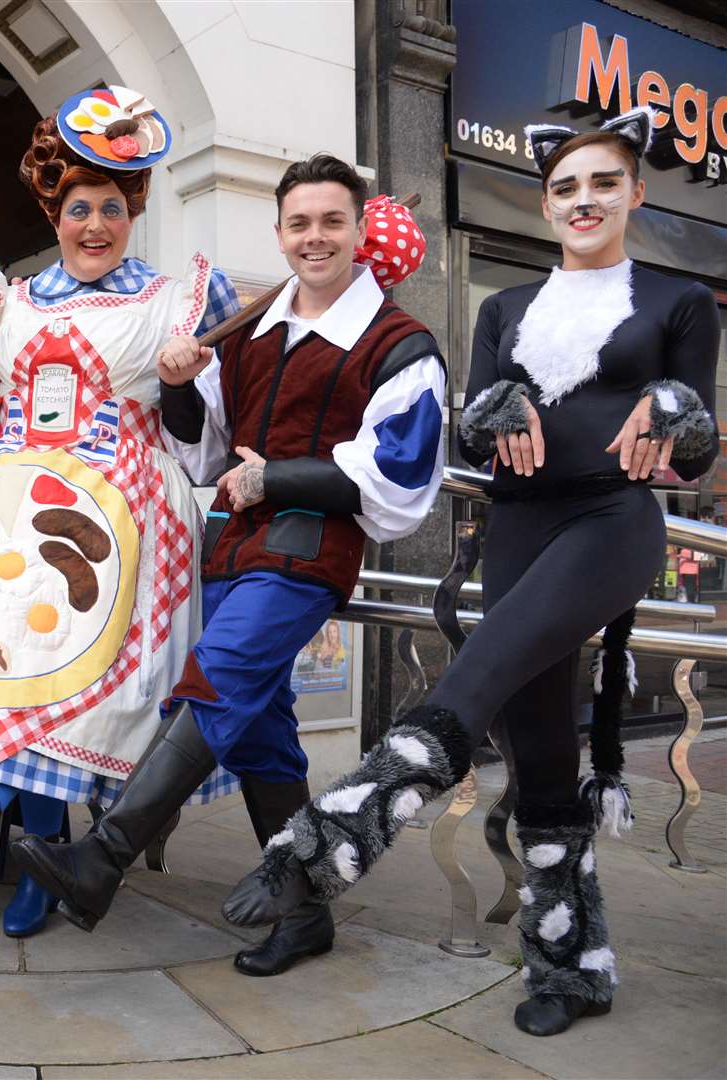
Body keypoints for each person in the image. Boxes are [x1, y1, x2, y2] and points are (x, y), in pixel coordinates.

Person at [222, 108, 719, 1035]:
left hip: (613, 522)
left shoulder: (680, 302)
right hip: (520, 528)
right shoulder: (503, 309)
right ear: (545, 201)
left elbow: (696, 453)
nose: (584, 201)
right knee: (537, 750)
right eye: (567, 187)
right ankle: (570, 963)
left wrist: (671, 405)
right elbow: (473, 438)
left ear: (636, 192)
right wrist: (497, 409)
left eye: (604, 183)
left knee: (474, 677)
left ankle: (332, 838)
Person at [15, 151, 446, 976]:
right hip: (233, 546)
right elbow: (203, 442)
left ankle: (98, 861)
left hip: (308, 552)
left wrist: (275, 477)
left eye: (331, 221)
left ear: (359, 231)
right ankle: (305, 913)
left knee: (218, 680)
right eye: (299, 223)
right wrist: (180, 381)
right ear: (280, 233)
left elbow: (400, 475)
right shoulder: (255, 327)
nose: (314, 237)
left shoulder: (400, 342)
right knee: (259, 733)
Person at [0, 87, 242, 939]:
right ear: (53, 211)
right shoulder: (6, 300)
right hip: (10, 509)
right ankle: (24, 848)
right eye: (78, 208)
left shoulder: (175, 301)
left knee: (73, 681)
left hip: (125, 509)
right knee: (3, 670)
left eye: (111, 206)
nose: (95, 224)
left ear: (134, 209)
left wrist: (179, 384)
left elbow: (201, 436)